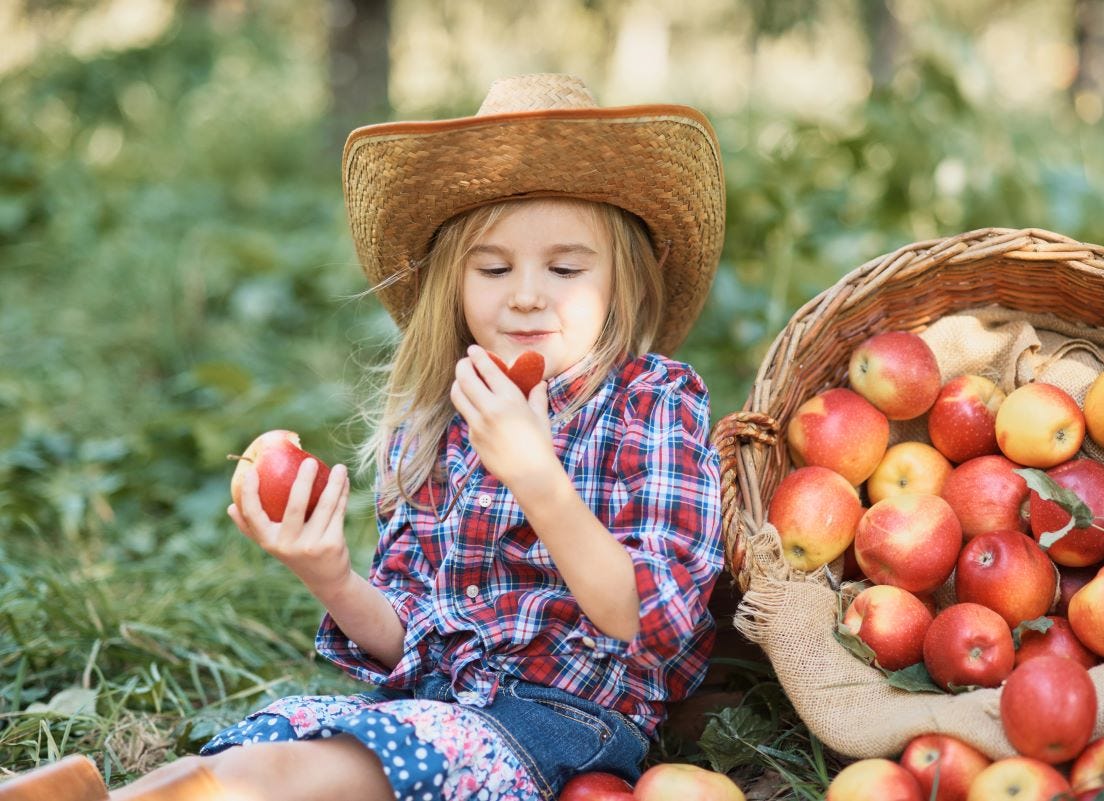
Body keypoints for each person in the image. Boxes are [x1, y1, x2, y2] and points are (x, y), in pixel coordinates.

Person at [0, 73, 726, 801]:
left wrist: (539, 478)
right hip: (431, 708)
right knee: (272, 737)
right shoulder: (437, 422)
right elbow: (407, 634)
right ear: (454, 281)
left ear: (627, 281)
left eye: (566, 267)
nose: (528, 292)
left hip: (560, 727)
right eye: (494, 267)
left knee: (288, 777)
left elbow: (649, 615)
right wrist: (328, 574)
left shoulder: (651, 404)